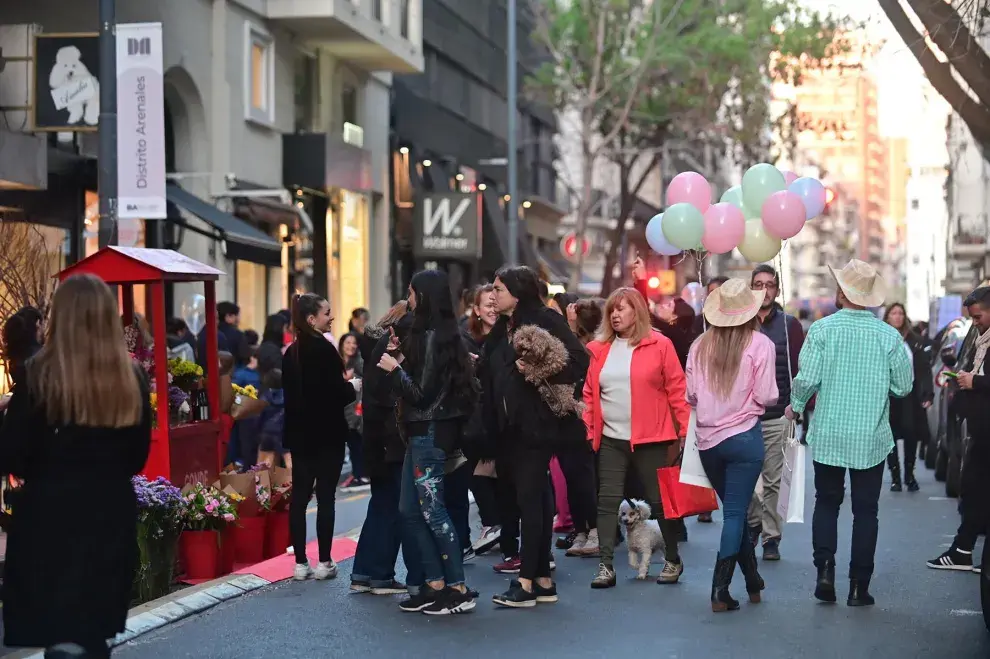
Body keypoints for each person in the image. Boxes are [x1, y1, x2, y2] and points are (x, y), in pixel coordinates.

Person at [0, 274, 151, 658]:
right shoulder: (129, 377)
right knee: (93, 630)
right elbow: (136, 457)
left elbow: (13, 454)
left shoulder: (37, 376)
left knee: (60, 634)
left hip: (49, 517)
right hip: (108, 514)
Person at [786, 259, 912, 607]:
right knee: (866, 511)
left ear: (842, 293)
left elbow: (807, 379)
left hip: (829, 433)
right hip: (870, 436)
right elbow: (903, 387)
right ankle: (859, 586)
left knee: (826, 502)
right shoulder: (889, 336)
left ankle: (825, 572)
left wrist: (795, 404)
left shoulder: (822, 331)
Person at [481, 265, 588, 608]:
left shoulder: (545, 319)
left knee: (530, 500)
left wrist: (537, 370)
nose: (492, 295)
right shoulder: (504, 326)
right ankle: (541, 579)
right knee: (535, 499)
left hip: (539, 425)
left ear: (517, 290)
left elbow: (579, 360)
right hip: (512, 427)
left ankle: (526, 581)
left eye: (498, 289)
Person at [377, 269, 478, 615]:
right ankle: (435, 584)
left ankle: (457, 588)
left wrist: (394, 369)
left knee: (432, 510)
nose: (409, 300)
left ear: (424, 296)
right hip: (421, 431)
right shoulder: (433, 336)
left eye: (412, 293)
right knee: (409, 510)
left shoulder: (435, 337)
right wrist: (401, 361)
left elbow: (421, 395)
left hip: (430, 430)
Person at [584, 287, 690, 588]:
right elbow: (590, 394)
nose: (616, 314)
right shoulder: (599, 348)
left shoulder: (660, 344)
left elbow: (677, 391)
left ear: (638, 311)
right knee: (606, 502)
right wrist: (591, 430)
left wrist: (684, 433)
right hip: (611, 438)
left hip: (652, 438)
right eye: (612, 310)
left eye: (623, 308)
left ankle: (672, 558)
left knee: (660, 503)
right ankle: (606, 566)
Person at [686, 278, 778, 612]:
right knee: (736, 514)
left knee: (734, 513)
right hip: (744, 438)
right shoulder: (760, 344)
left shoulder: (699, 345)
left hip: (709, 442)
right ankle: (719, 589)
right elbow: (767, 396)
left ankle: (752, 580)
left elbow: (692, 395)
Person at [283, 293, 357, 582]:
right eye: (327, 312)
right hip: (328, 435)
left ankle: (300, 562)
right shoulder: (325, 351)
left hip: (300, 437)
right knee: (326, 497)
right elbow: (335, 395)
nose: (332, 316)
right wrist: (353, 386)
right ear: (312, 319)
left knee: (299, 498)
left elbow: (289, 399)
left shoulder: (291, 353)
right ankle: (325, 561)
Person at [350, 301, 412, 596]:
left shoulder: (373, 347)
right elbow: (395, 397)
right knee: (393, 507)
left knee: (380, 505)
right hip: (391, 441)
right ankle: (381, 575)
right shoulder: (389, 351)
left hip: (375, 439)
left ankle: (363, 572)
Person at [926, 286, 990, 572]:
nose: (975, 322)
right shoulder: (981, 340)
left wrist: (973, 382)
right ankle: (963, 550)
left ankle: (963, 550)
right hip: (979, 429)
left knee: (975, 488)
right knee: (975, 490)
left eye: (978, 317)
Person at [746, 264, 804, 561]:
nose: (764, 290)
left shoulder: (789, 325)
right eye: (758, 284)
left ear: (776, 290)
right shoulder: (737, 323)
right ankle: (755, 520)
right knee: (744, 481)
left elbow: (799, 369)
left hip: (778, 415)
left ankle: (771, 536)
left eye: (769, 285)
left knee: (773, 481)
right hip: (742, 417)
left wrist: (797, 408)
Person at [461, 285, 502, 556]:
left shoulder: (509, 337)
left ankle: (495, 524)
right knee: (478, 473)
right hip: (474, 419)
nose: (493, 308)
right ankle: (495, 524)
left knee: (488, 473)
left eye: (496, 302)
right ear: (476, 310)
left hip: (502, 416)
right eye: (487, 304)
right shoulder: (466, 340)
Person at [883, 303, 933, 492]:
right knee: (890, 437)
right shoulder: (882, 338)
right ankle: (895, 476)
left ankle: (909, 475)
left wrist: (927, 394)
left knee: (912, 435)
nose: (897, 316)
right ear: (887, 317)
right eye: (893, 313)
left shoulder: (916, 341)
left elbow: (924, 370)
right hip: (888, 396)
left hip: (910, 395)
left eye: (900, 313)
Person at [339, 333, 370, 492]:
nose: (350, 345)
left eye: (353, 343)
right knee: (352, 443)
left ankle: (362, 475)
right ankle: (358, 473)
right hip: (343, 408)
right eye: (347, 342)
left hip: (356, 408)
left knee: (358, 442)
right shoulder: (337, 361)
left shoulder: (359, 362)